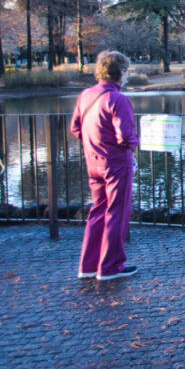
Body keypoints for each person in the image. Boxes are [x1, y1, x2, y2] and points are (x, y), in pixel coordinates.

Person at [71, 50, 140, 281]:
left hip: (93, 163)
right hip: (116, 164)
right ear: (120, 72)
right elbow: (126, 136)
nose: (127, 75)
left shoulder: (85, 96)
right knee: (117, 213)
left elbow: (76, 128)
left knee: (98, 211)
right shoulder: (118, 99)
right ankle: (111, 266)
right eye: (126, 71)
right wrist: (136, 144)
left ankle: (88, 265)